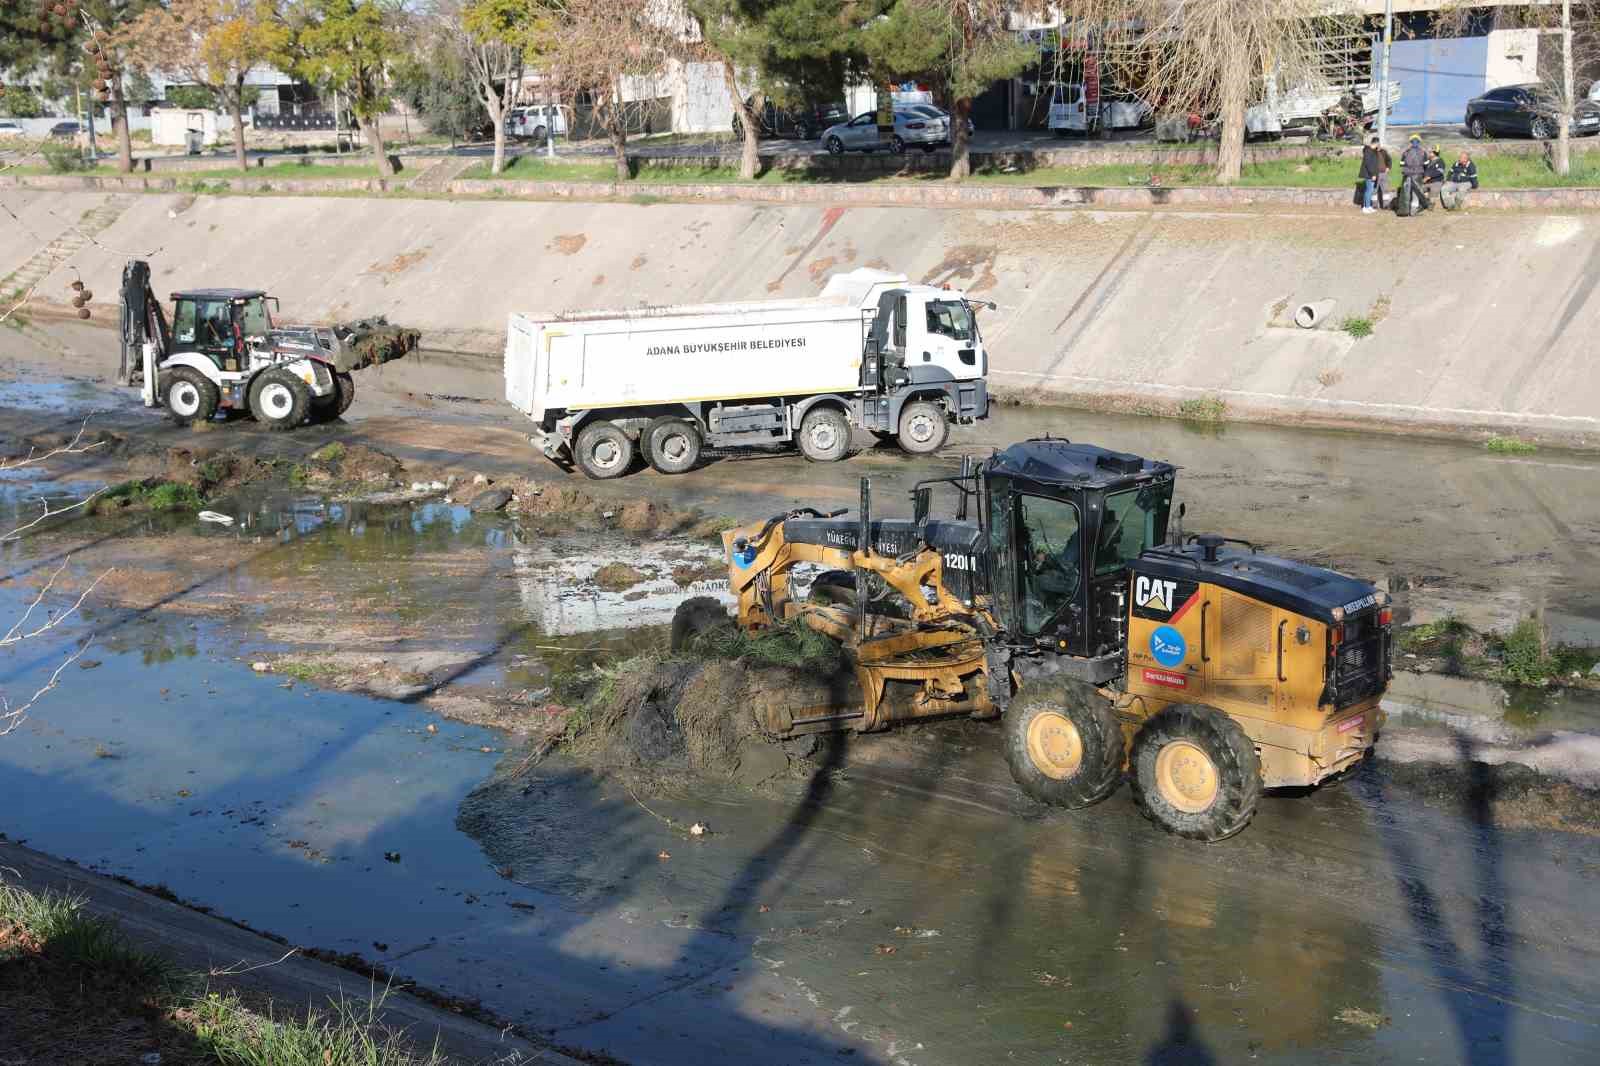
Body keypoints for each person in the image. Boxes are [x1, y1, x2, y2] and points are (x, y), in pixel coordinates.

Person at [1358, 136, 1383, 212]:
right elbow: (1368, 164)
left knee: (1370, 190)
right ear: (1376, 143)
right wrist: (1373, 174)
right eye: (1379, 143)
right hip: (1369, 174)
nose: (1379, 145)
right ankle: (1365, 207)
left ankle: (1368, 206)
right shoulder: (1368, 151)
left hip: (1372, 174)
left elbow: (1374, 163)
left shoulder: (1373, 151)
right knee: (1369, 190)